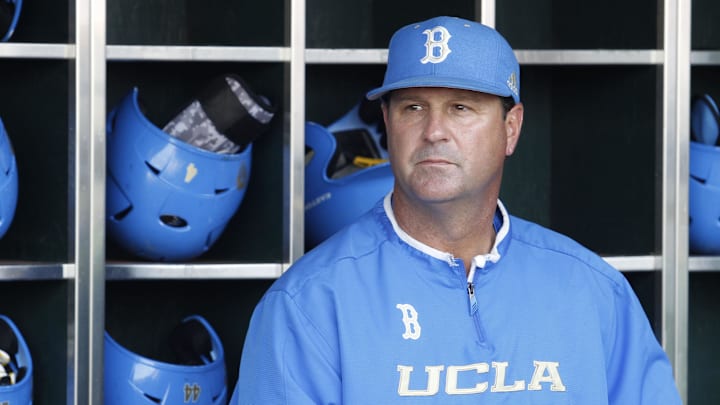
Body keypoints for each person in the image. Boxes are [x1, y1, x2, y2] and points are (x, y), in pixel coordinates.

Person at [230, 15, 682, 404]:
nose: (434, 131)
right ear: (388, 125)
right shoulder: (308, 303)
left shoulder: (592, 290)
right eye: (413, 107)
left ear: (511, 128)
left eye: (461, 107)